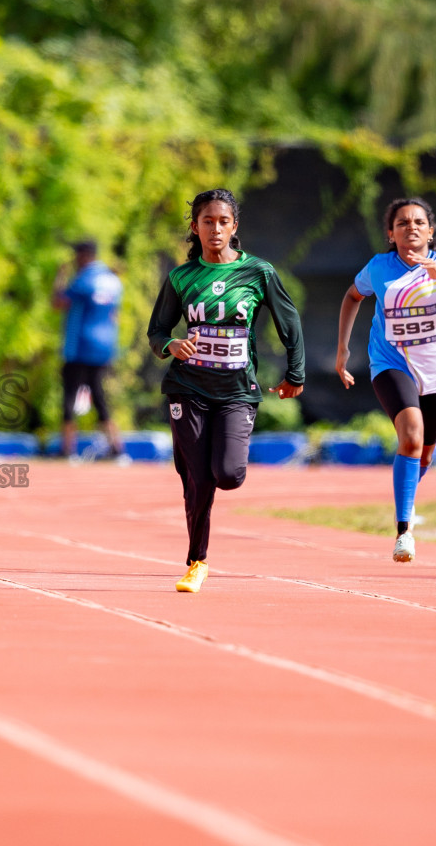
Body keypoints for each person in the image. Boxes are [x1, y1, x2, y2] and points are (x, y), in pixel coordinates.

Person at [147, 188, 304, 593]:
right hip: (187, 388)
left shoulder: (258, 272)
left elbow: (290, 323)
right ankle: (196, 561)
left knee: (228, 475)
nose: (215, 229)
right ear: (195, 227)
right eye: (206, 221)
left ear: (234, 227)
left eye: (222, 221)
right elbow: (158, 331)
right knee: (197, 479)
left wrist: (296, 374)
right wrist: (171, 345)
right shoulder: (181, 277)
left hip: (236, 390)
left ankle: (205, 474)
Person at [335, 197, 436, 563]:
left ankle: (404, 495)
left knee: (425, 452)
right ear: (391, 234)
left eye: (419, 222)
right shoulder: (379, 267)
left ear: (431, 231)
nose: (412, 228)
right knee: (411, 436)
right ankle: (404, 531)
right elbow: (352, 296)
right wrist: (342, 349)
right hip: (390, 363)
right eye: (403, 223)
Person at [53, 238, 127, 462]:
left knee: (69, 396)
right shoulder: (114, 280)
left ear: (85, 255)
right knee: (100, 397)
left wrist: (60, 277)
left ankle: (68, 450)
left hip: (80, 346)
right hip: (104, 347)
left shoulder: (83, 279)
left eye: (77, 255)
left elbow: (58, 302)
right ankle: (116, 448)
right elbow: (115, 315)